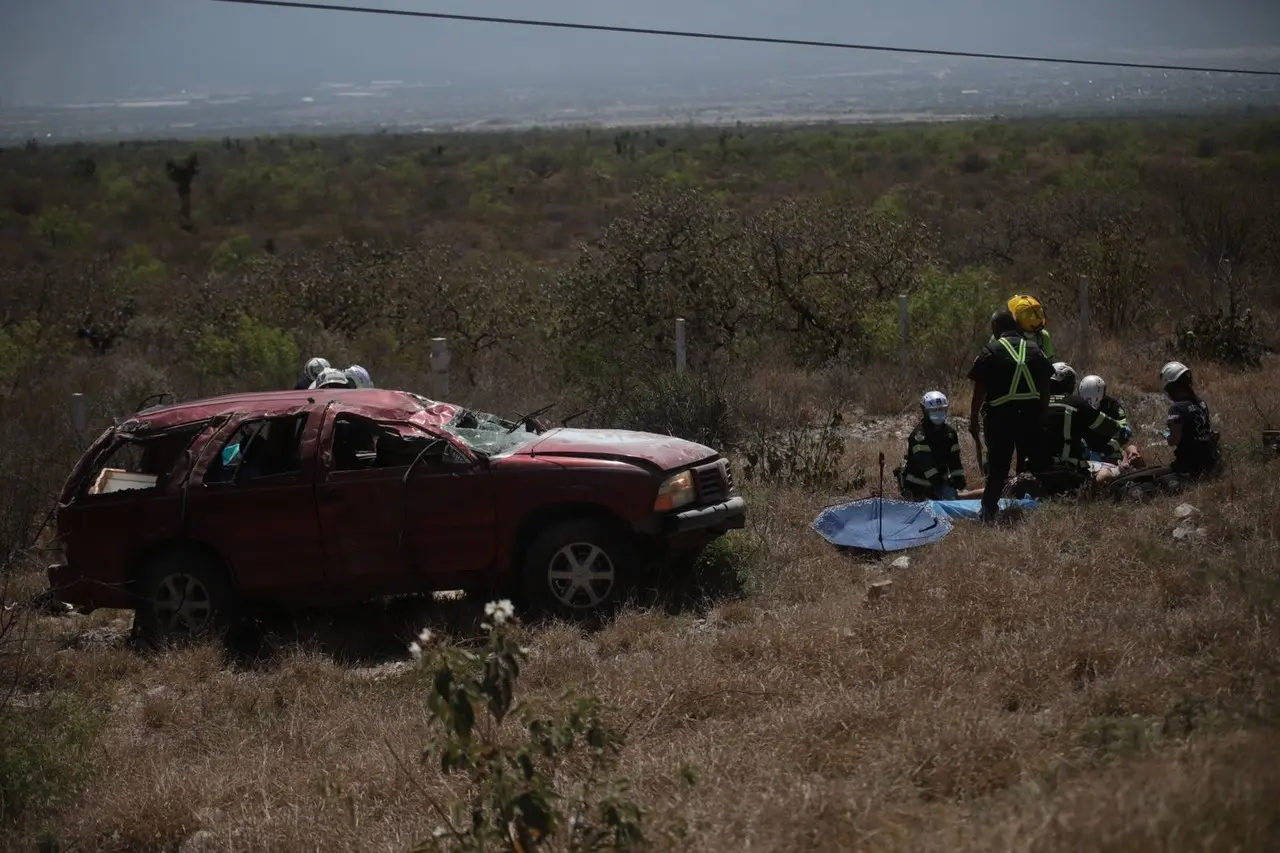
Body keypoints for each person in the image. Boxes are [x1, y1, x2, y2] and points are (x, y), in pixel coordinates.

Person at [968, 308, 1053, 523]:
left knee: (997, 467)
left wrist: (973, 420)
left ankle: (988, 512)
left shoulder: (991, 350)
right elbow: (1046, 387)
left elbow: (979, 391)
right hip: (1031, 418)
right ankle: (1040, 507)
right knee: (1033, 464)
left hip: (1000, 419)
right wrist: (1043, 415)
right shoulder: (1035, 350)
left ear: (996, 328)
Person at [1108, 361, 1220, 498]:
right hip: (1208, 462)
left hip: (1188, 467)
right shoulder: (1201, 403)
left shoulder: (1177, 408)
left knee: (1138, 479)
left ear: (1172, 387)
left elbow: (1174, 440)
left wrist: (1168, 435)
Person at [1039, 363, 1129, 495]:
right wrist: (1115, 441)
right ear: (1069, 383)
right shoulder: (1076, 404)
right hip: (1068, 475)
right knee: (1108, 476)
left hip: (1037, 473)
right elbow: (1113, 429)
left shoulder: (1035, 403)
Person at [898, 391, 968, 501]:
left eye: (942, 409)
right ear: (924, 410)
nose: (939, 413)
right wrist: (940, 489)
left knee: (960, 499)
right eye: (934, 410)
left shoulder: (950, 433)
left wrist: (959, 480)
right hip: (919, 485)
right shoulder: (919, 436)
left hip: (941, 482)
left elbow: (954, 460)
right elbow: (926, 466)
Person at [1078, 374, 1144, 469]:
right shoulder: (1078, 404)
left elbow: (1124, 432)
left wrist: (1107, 450)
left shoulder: (1112, 406)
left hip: (1109, 450)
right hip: (1085, 452)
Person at [996, 294, 1056, 360]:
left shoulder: (1043, 336)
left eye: (1037, 313)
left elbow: (1050, 361)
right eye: (1028, 315)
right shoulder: (1005, 337)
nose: (1036, 318)